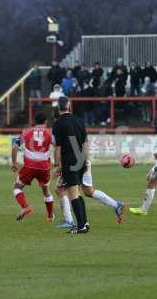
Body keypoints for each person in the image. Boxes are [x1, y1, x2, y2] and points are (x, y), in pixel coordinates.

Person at [52, 96, 89, 234]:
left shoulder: (58, 124)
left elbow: (58, 147)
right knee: (78, 192)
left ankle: (81, 227)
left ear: (58, 108)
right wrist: (85, 160)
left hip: (69, 160)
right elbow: (86, 143)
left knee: (73, 193)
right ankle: (84, 223)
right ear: (69, 106)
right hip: (81, 159)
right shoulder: (79, 121)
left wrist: (57, 164)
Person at [11, 112, 54, 222]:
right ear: (45, 122)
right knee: (46, 191)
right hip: (44, 167)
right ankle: (50, 216)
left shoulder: (26, 132)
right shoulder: (51, 133)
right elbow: (58, 146)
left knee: (17, 188)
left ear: (34, 122)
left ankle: (26, 206)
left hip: (29, 166)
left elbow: (14, 147)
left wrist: (14, 163)